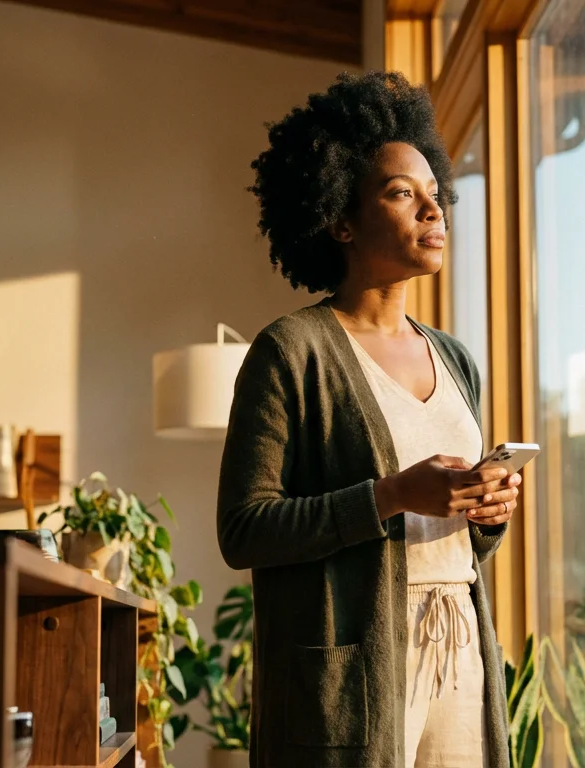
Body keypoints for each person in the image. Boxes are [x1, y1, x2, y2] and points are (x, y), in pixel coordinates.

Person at [217, 71, 520, 768]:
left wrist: (489, 514)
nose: (432, 212)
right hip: (356, 675)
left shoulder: (455, 359)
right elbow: (243, 529)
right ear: (341, 219)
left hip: (461, 658)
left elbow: (452, 545)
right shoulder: (290, 352)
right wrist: (390, 496)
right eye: (401, 194)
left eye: (434, 196)